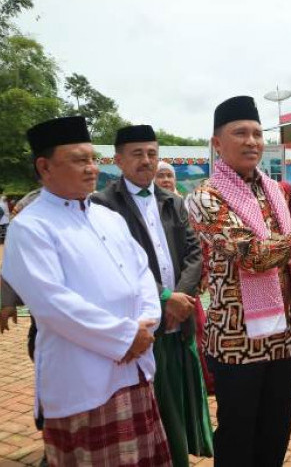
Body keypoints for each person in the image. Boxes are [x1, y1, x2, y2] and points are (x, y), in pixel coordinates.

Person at [187, 96, 291, 467]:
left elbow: (286, 253)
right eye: (240, 133)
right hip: (237, 341)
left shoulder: (274, 191)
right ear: (217, 143)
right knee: (237, 436)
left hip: (281, 337)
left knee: (275, 433)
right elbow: (252, 254)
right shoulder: (204, 197)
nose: (252, 141)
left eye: (257, 133)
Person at [1, 116, 170, 466]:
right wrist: (125, 337)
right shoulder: (30, 228)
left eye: (93, 159)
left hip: (134, 367)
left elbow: (142, 275)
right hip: (82, 380)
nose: (92, 168)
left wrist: (145, 325)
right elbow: (53, 305)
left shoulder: (108, 217)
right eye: (80, 160)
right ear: (44, 166)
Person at [91, 124, 213, 467]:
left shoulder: (173, 201)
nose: (146, 161)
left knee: (177, 404)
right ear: (118, 160)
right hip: (141, 326)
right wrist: (163, 299)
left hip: (179, 321)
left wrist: (181, 298)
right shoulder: (102, 205)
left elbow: (194, 253)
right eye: (137, 154)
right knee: (148, 411)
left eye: (152, 153)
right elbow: (111, 263)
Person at [152, 159, 215, 396]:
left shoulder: (184, 204)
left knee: (197, 331)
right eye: (161, 176)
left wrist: (200, 274)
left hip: (187, 284)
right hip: (161, 288)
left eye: (169, 175)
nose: (166, 180)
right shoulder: (150, 207)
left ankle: (203, 381)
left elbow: (198, 243)